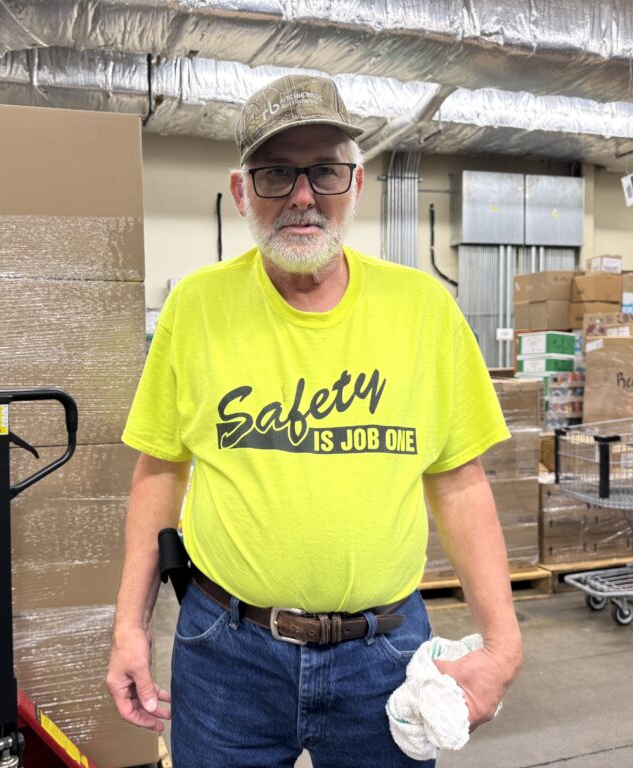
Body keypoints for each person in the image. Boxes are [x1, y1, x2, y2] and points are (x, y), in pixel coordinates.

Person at [106, 74, 523, 767]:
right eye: (276, 173)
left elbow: (460, 482)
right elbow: (159, 469)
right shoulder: (197, 308)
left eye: (324, 170)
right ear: (242, 192)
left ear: (355, 184)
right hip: (225, 652)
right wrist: (129, 626)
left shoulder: (423, 311)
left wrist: (503, 644)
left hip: (384, 656)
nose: (302, 196)